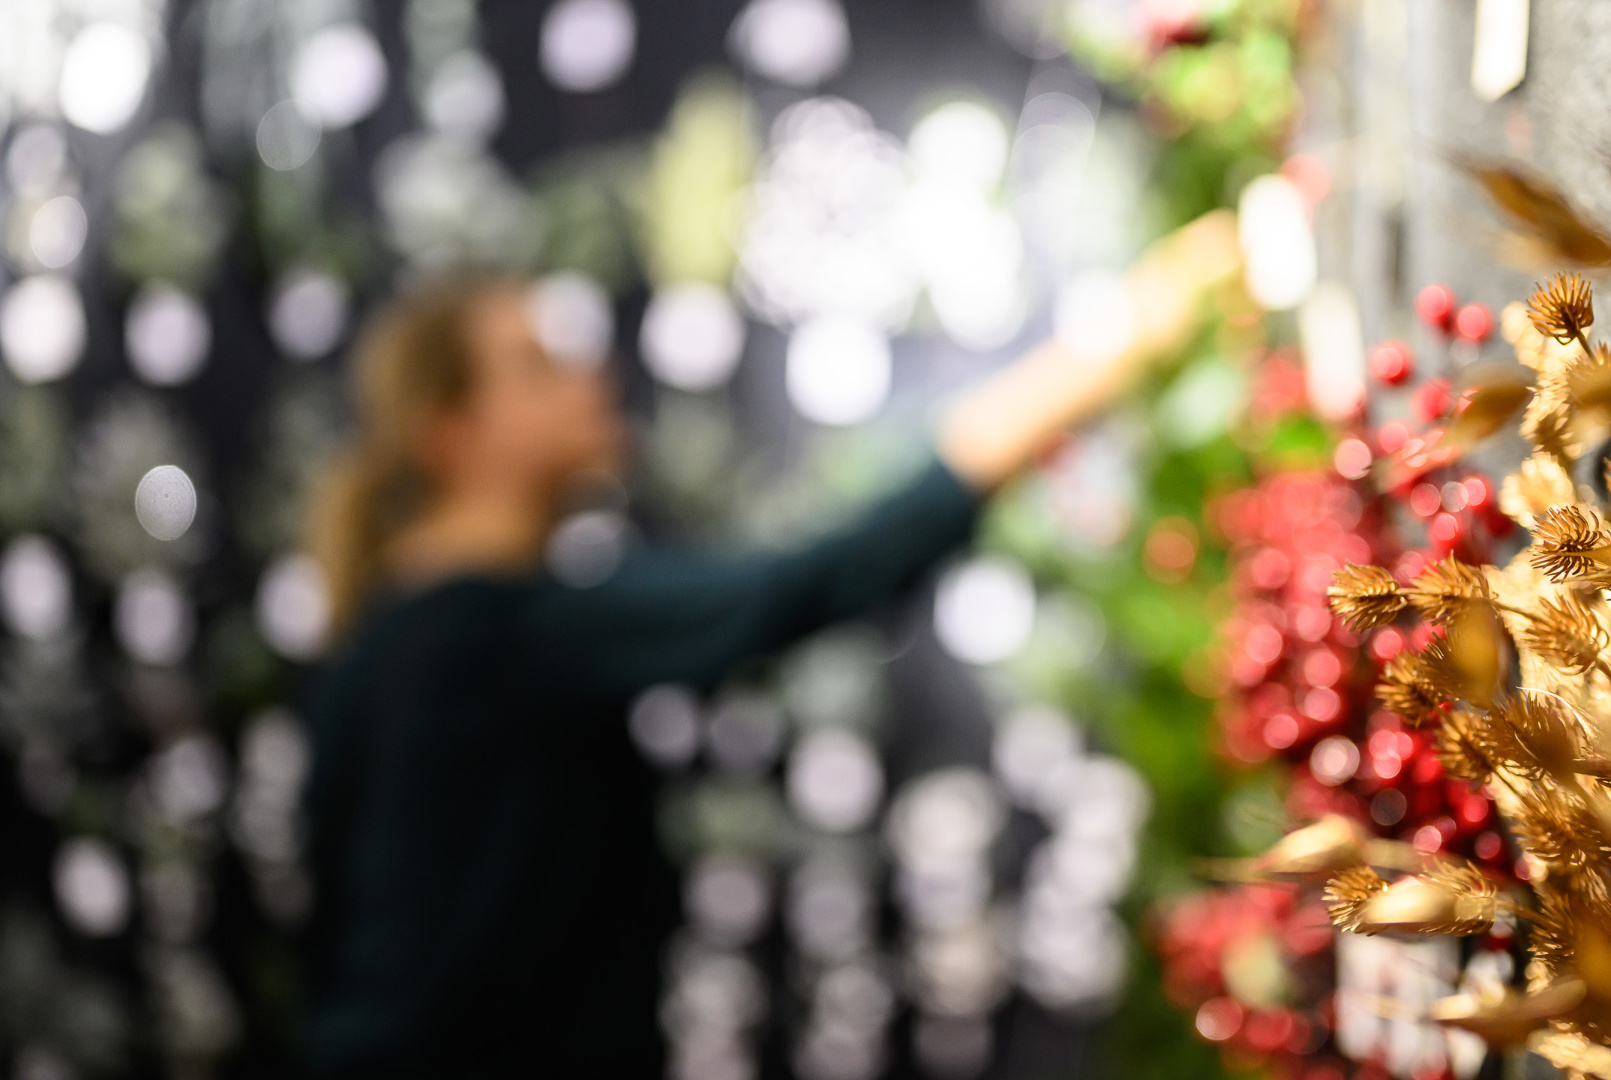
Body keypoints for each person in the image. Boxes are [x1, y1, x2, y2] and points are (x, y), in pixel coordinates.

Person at [300, 213, 1238, 1078]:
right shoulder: (491, 629)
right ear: (450, 431)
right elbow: (801, 586)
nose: (591, 376)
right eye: (539, 365)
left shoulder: (394, 638)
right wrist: (1124, 341)